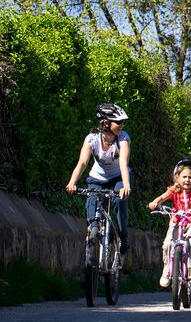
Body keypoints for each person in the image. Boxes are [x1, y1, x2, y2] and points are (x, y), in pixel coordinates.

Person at [65, 102, 133, 268]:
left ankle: (123, 237)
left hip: (118, 177)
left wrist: (125, 185)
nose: (122, 125)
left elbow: (123, 162)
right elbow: (82, 162)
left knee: (119, 200)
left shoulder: (123, 138)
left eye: (123, 122)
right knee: (92, 204)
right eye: (119, 122)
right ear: (106, 123)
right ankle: (94, 238)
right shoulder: (91, 139)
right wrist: (72, 182)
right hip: (97, 178)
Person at [148, 158, 191, 288]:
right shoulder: (173, 191)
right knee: (167, 244)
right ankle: (167, 270)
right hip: (176, 222)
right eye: (184, 177)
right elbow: (162, 198)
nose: (187, 180)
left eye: (190, 177)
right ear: (177, 177)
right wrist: (154, 202)